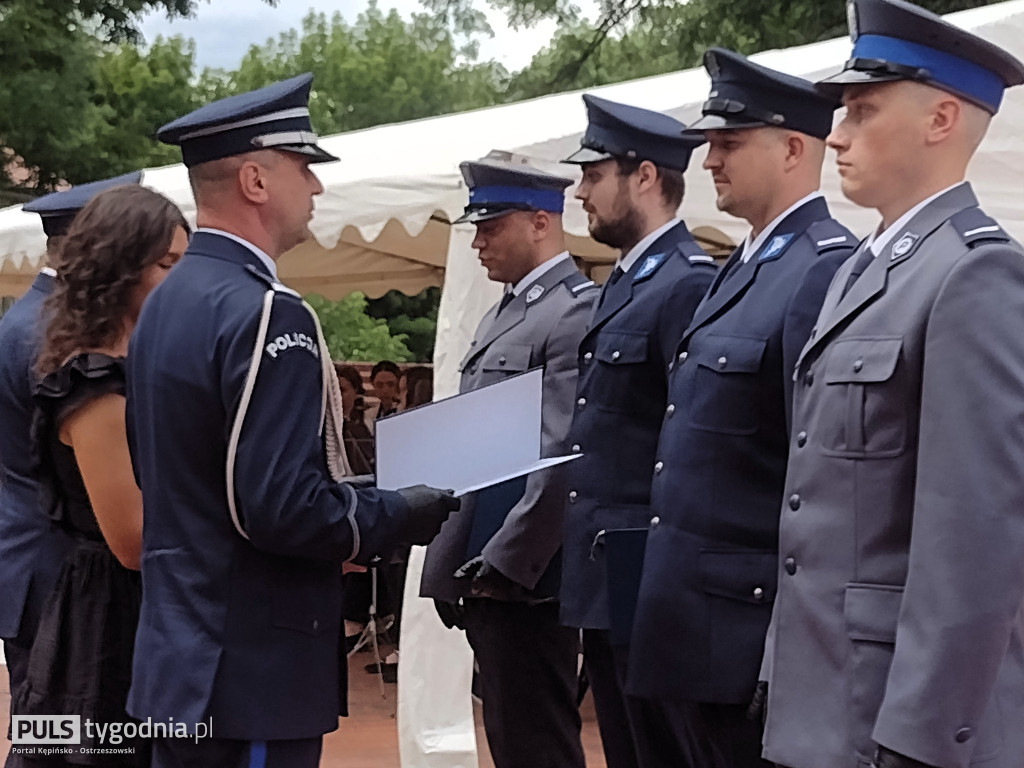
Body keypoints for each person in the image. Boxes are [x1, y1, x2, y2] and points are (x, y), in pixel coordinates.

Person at [124, 74, 458, 768]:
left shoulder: (165, 301)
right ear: (254, 179)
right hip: (252, 664)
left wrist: (358, 491)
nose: (317, 188)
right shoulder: (271, 311)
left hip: (182, 657)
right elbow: (277, 509)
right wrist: (393, 515)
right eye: (304, 168)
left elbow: (187, 475)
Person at [760, 2, 1024, 768]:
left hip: (890, 720)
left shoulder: (975, 274)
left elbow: (975, 541)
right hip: (825, 699)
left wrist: (923, 736)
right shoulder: (859, 270)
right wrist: (781, 672)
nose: (835, 134)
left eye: (862, 110)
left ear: (942, 118)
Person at [625, 50, 856, 768]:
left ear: (793, 148)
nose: (711, 162)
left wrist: (785, 651)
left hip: (747, 636)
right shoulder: (744, 265)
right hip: (693, 626)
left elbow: (816, 479)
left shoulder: (820, 268)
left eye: (729, 144)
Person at [421, 159, 597, 768]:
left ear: (541, 222)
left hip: (528, 575)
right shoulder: (507, 311)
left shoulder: (573, 311)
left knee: (537, 741)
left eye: (491, 226)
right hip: (488, 566)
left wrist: (504, 564)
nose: (478, 242)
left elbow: (560, 456)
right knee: (510, 732)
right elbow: (477, 445)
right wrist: (450, 554)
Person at [557, 94, 717, 768]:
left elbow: (689, 442)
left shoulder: (683, 283)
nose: (580, 191)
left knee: (663, 753)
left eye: (594, 175)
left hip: (647, 573)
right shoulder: (625, 283)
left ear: (645, 177)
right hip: (607, 570)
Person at [17, 184, 189, 767]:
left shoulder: (129, 367)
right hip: (108, 619)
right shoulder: (92, 383)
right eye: (168, 264)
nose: (182, 280)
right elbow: (132, 540)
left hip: (131, 605)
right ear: (121, 268)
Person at [0, 171, 141, 766]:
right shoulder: (56, 333)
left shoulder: (25, 319)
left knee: (47, 736)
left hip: (27, 559)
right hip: (60, 570)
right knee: (60, 743)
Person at [334, 363, 375, 475]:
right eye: (333, 390)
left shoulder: (362, 428)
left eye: (342, 390)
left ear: (355, 391)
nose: (336, 396)